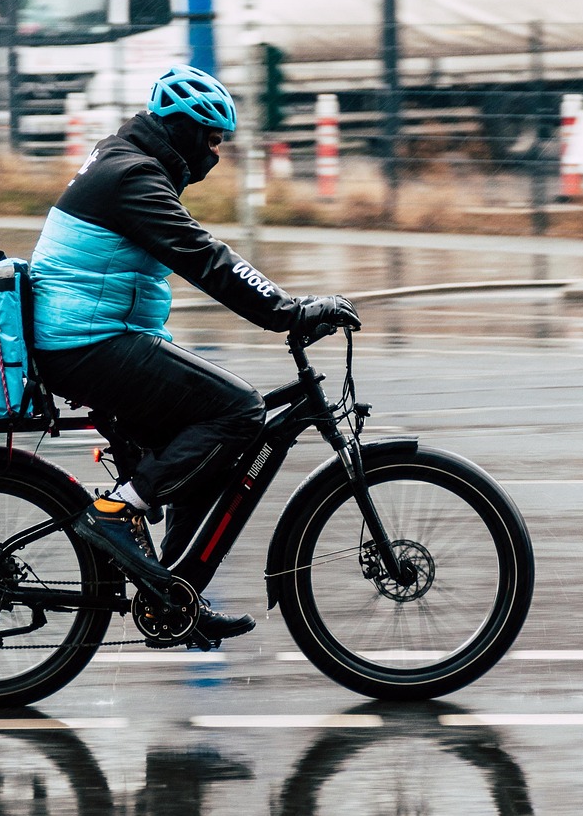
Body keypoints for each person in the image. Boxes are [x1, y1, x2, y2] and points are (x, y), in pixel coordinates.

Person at [29, 65, 360, 646]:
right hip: (87, 344)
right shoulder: (132, 176)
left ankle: (175, 589)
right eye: (210, 139)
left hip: (95, 336)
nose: (215, 153)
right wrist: (289, 311)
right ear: (180, 128)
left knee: (207, 445)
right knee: (237, 410)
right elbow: (205, 258)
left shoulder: (130, 161)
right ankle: (118, 511)